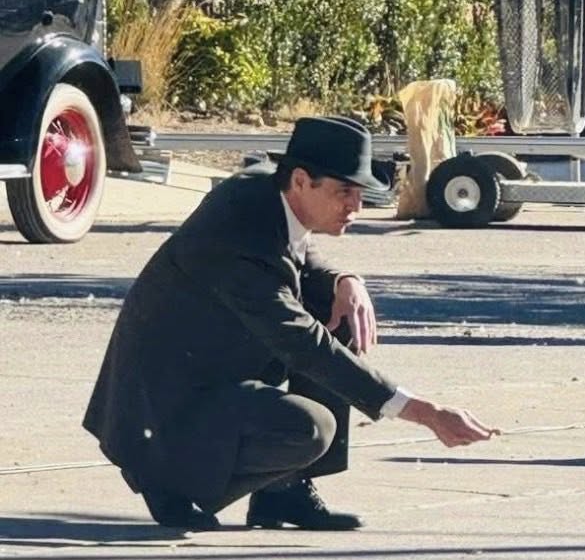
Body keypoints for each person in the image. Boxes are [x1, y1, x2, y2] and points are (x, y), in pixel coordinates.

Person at [83, 115, 497, 531]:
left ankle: (284, 493)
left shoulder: (268, 189)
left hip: (212, 370)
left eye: (361, 193)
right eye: (344, 192)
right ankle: (170, 482)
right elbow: (303, 343)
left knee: (339, 311)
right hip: (163, 408)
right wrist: (427, 413)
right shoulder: (235, 238)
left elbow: (296, 249)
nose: (356, 206)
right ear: (301, 181)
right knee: (311, 429)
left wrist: (343, 280)